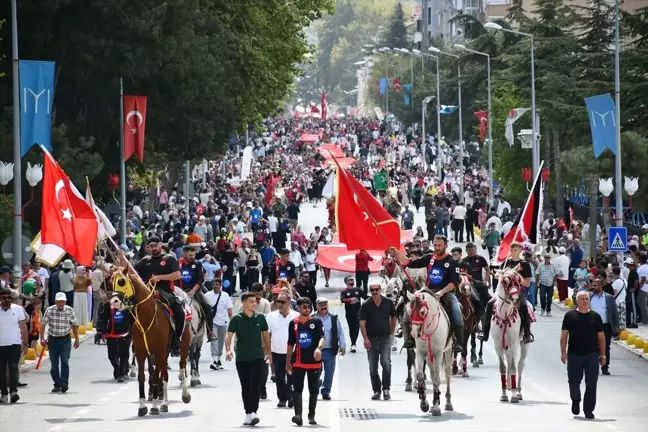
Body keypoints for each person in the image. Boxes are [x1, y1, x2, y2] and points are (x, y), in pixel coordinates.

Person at [390, 235, 464, 352]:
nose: (437, 247)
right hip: (427, 292)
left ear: (445, 246)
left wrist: (441, 292)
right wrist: (396, 252)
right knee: (409, 308)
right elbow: (409, 263)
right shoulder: (430, 257)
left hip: (445, 293)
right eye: (435, 245)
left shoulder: (452, 261)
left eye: (439, 245)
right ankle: (409, 337)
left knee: (457, 311)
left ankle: (459, 342)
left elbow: (453, 283)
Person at [225, 292, 271, 426]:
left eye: (255, 301)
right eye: (251, 302)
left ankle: (254, 412)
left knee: (255, 385)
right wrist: (228, 350)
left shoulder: (261, 318)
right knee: (245, 386)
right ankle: (248, 413)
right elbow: (229, 335)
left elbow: (266, 336)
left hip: (257, 357)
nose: (255, 303)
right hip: (242, 358)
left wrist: (269, 352)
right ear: (244, 304)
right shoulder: (236, 319)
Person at [134, 236, 184, 356]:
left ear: (160, 245)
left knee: (180, 312)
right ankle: (131, 334)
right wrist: (121, 259)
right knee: (131, 307)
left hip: (165, 291)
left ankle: (176, 341)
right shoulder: (145, 260)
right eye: (150, 246)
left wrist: (160, 277)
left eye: (155, 246)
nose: (153, 248)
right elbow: (132, 271)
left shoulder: (169, 258)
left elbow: (177, 275)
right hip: (147, 292)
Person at [560, 291, 606, 419]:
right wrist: (563, 352)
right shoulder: (570, 316)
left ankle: (588, 410)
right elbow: (564, 335)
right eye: (582, 299)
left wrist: (603, 356)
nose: (585, 301)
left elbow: (601, 337)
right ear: (577, 301)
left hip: (592, 355)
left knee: (591, 384)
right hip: (574, 355)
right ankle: (576, 399)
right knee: (573, 382)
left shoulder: (595, 317)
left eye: (586, 299)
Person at [479, 242, 535, 344]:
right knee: (490, 303)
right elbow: (496, 275)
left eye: (516, 250)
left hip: (517, 292)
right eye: (512, 250)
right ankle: (485, 332)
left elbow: (527, 283)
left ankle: (527, 334)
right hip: (503, 292)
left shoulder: (525, 265)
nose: (513, 252)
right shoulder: (505, 263)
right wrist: (499, 275)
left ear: (520, 251)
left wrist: (518, 276)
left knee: (523, 306)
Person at [286, 297, 324, 426]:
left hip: (314, 362)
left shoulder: (316, 322)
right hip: (298, 362)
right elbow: (290, 344)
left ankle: (311, 415)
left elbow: (322, 338)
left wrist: (319, 349)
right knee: (297, 389)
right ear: (298, 308)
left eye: (308, 306)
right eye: (304, 307)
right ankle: (298, 415)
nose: (307, 309)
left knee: (313, 389)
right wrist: (288, 363)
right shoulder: (293, 323)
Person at [359, 283, 397, 401]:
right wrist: (365, 338)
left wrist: (391, 333)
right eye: (372, 290)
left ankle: (386, 389)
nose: (375, 292)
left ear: (380, 290)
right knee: (372, 367)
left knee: (386, 363)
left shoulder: (388, 303)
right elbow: (362, 323)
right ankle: (376, 390)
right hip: (371, 339)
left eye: (376, 289)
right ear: (370, 291)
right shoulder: (366, 305)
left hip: (385, 338)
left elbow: (394, 318)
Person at [40, 291, 80, 393]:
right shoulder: (50, 310)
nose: (61, 304)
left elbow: (74, 325)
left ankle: (64, 383)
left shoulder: (69, 310)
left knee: (65, 361)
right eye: (59, 302)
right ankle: (57, 383)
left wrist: (77, 339)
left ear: (65, 301)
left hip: (65, 339)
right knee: (54, 364)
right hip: (53, 339)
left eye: (62, 302)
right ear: (55, 302)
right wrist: (42, 338)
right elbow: (43, 325)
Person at [267, 292, 299, 408]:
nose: (279, 304)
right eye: (278, 302)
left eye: (282, 302)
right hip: (277, 352)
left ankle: (291, 396)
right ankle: (282, 398)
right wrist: (267, 352)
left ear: (289, 302)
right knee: (279, 378)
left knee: (292, 377)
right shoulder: (271, 316)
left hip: (293, 352)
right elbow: (266, 335)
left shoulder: (296, 316)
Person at [178, 246, 216, 341]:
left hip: (194, 290)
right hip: (179, 291)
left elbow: (200, 279)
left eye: (193, 255)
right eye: (190, 255)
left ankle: (210, 333)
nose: (192, 257)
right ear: (184, 253)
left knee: (208, 308)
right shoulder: (178, 263)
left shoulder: (197, 263)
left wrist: (193, 291)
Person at [0, 287, 28, 403]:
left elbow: (23, 327)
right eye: (4, 298)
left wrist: (25, 343)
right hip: (1, 345)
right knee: (1, 370)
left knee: (13, 368)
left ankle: (13, 391)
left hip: (14, 344)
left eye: (9, 298)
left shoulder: (18, 309)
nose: (7, 300)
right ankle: (4, 393)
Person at [314, 297, 345, 400]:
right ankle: (316, 388)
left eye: (325, 304)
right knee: (315, 372)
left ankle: (326, 391)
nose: (323, 307)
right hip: (316, 350)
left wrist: (342, 345)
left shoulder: (333, 318)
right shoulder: (312, 318)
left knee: (329, 372)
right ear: (317, 306)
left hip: (330, 349)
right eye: (321, 305)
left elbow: (340, 332)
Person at [588, 278, 620, 375]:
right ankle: (593, 366)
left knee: (605, 347)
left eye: (595, 285)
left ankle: (605, 366)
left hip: (605, 326)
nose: (593, 286)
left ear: (601, 286)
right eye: (593, 284)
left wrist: (617, 326)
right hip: (592, 325)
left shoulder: (609, 298)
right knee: (592, 347)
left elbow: (615, 313)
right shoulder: (589, 296)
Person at [98, 292, 132, 382]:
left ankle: (121, 373)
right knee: (111, 356)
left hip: (124, 333)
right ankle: (116, 368)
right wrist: (103, 333)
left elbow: (132, 319)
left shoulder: (127, 306)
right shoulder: (107, 306)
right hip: (111, 334)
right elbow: (103, 319)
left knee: (124, 355)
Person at [205, 279, 233, 371]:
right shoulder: (207, 295)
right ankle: (214, 361)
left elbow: (229, 310)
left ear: (220, 285)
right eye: (213, 284)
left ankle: (219, 360)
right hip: (212, 322)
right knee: (214, 341)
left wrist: (231, 320)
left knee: (221, 342)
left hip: (223, 322)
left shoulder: (225, 295)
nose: (215, 286)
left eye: (217, 284)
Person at [340, 276, 365, 353]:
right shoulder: (344, 291)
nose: (352, 281)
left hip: (358, 312)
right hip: (349, 313)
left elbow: (365, 297)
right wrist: (350, 299)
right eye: (350, 280)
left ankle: (353, 344)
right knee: (351, 328)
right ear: (346, 282)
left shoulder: (358, 290)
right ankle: (352, 342)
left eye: (353, 279)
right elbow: (342, 300)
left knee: (357, 327)